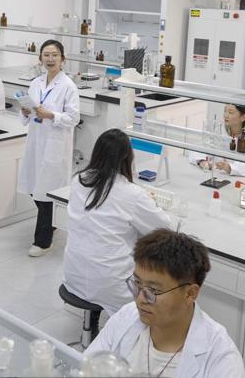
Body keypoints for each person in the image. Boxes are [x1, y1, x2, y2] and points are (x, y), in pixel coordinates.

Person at [86, 229, 245, 378]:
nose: (140, 299)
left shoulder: (222, 360)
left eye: (153, 290)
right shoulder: (126, 317)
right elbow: (88, 368)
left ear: (190, 293)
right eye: (137, 283)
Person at [63, 129, 174, 315]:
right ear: (127, 158)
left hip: (74, 275)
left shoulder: (79, 180)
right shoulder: (131, 194)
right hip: (111, 285)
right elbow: (164, 227)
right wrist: (150, 203)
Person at [18, 40, 80, 257]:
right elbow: (28, 112)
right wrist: (25, 112)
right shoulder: (36, 83)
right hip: (36, 141)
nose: (50, 59)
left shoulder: (68, 86)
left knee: (47, 192)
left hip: (55, 144)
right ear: (40, 58)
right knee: (35, 189)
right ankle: (52, 223)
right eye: (46, 55)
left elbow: (73, 118)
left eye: (55, 55)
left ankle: (42, 242)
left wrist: (51, 115)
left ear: (63, 59)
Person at [189, 104, 245, 177]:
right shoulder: (219, 130)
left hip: (240, 181)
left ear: (243, 117)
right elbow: (199, 148)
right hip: (217, 176)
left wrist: (230, 168)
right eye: (225, 111)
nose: (225, 115)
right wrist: (201, 161)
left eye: (230, 112)